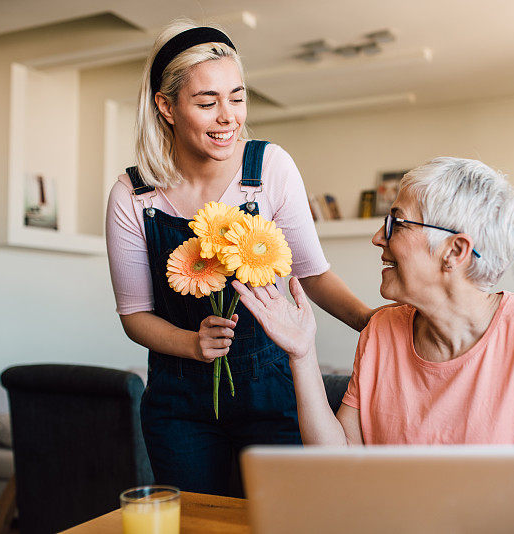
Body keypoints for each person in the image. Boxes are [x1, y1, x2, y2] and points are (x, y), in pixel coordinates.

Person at [233, 157, 514, 533]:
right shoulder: (382, 331)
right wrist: (302, 353)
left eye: (397, 223)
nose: (378, 237)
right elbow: (337, 465)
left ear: (455, 251)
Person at [105, 20, 372, 496]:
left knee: (289, 520)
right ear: (165, 107)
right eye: (207, 103)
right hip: (178, 401)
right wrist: (191, 344)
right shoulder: (134, 194)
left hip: (271, 388)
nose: (228, 116)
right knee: (195, 523)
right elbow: (133, 316)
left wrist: (374, 325)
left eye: (237, 96)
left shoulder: (268, 168)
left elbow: (312, 275)